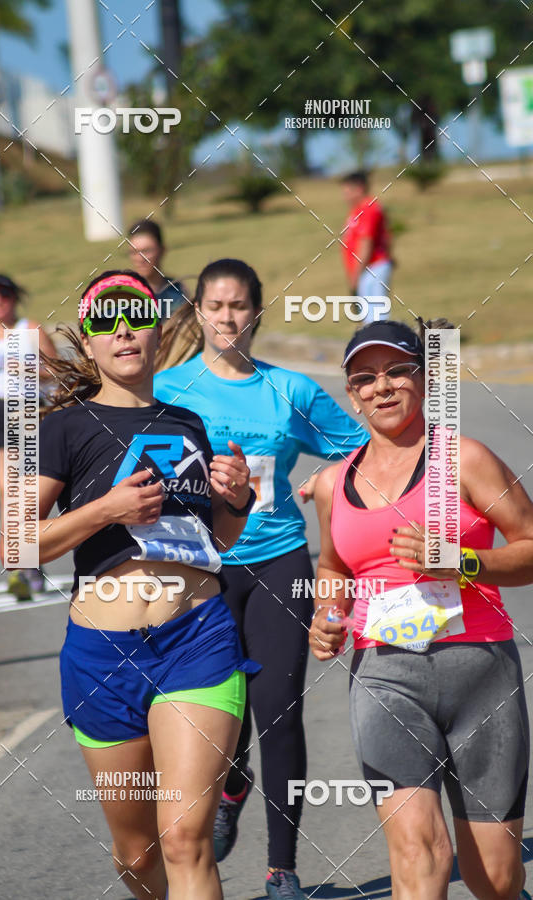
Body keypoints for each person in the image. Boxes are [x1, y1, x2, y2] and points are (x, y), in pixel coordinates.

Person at [29, 269, 260, 900]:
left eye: (136, 315)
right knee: (138, 855)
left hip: (197, 641)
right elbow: (15, 545)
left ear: (158, 328)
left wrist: (238, 500)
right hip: (103, 656)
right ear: (89, 337)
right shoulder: (64, 429)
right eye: (106, 320)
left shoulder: (188, 424)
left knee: (187, 839)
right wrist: (107, 509)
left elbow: (222, 541)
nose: (123, 330)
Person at [153, 258, 368, 900]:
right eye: (214, 306)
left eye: (239, 306)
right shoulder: (167, 389)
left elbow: (362, 447)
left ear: (257, 312)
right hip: (202, 570)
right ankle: (230, 780)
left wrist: (323, 482)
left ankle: (282, 870)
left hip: (279, 564)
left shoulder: (291, 390)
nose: (226, 318)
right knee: (225, 716)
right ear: (196, 310)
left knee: (280, 711)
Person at [309, 319, 533, 900]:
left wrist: (461, 562)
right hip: (384, 674)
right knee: (417, 852)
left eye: (396, 372)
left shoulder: (464, 458)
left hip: (480, 671)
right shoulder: (335, 482)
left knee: (495, 877)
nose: (381, 387)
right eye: (365, 378)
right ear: (352, 394)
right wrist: (328, 615)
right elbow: (335, 565)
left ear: (425, 378)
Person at [0, 273, 57, 600]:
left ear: (14, 298)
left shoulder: (30, 330)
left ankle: (26, 561)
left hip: (29, 412)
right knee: (9, 488)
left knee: (23, 493)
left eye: (4, 294)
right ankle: (19, 565)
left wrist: (32, 369)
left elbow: (59, 370)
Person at [340, 171, 393, 323]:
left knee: (375, 320)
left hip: (372, 268)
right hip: (368, 269)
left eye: (347, 191)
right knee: (369, 319)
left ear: (359, 188)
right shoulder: (357, 210)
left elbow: (365, 243)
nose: (345, 196)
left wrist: (354, 278)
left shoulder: (368, 209)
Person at [128, 219, 188, 318]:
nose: (140, 259)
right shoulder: (123, 294)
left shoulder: (178, 291)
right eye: (134, 252)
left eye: (146, 251)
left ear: (162, 250)